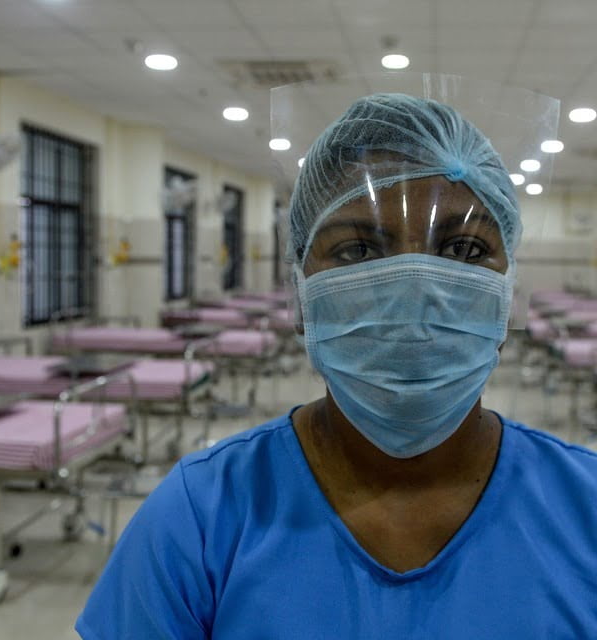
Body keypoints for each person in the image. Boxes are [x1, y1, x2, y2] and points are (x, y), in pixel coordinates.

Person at [76, 94, 597, 639]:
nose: (415, 293)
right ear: (300, 296)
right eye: (357, 251)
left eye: (464, 249)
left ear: (508, 293)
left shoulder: (584, 510)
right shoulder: (201, 519)